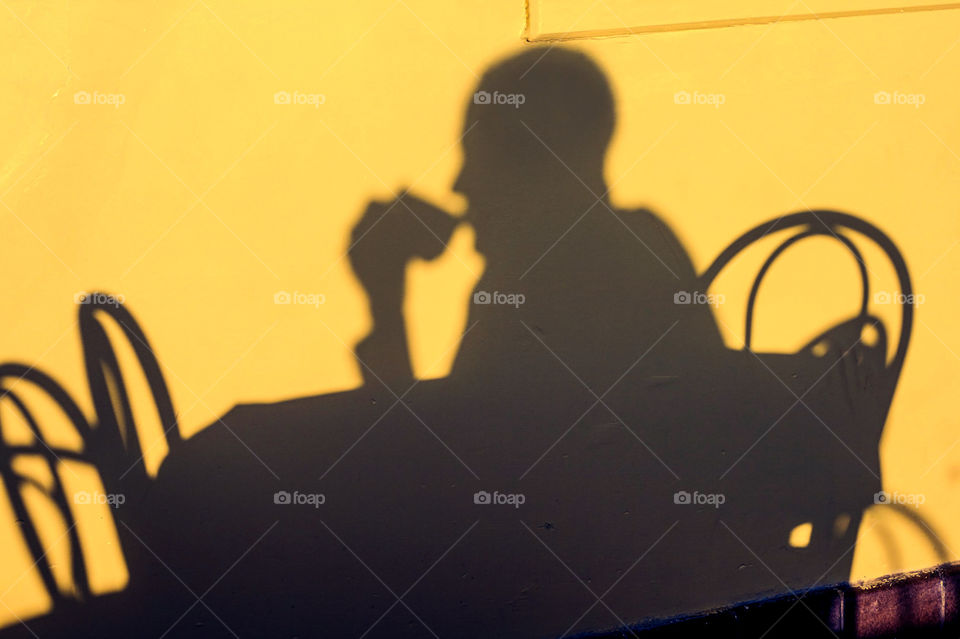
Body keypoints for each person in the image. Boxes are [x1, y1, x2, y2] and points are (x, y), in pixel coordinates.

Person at [349, 48, 721, 394]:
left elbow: (434, 457)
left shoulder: (528, 282)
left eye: (479, 156)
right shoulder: (644, 246)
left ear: (537, 165)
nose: (458, 184)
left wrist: (385, 307)